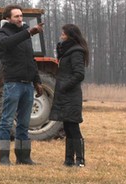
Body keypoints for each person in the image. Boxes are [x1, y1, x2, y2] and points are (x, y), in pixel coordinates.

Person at [0, 5, 44, 166]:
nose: (20, 19)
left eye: (21, 16)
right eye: (16, 16)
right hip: (13, 84)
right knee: (7, 121)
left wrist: (37, 81)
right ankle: (4, 158)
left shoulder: (25, 35)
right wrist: (28, 32)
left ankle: (23, 157)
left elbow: (31, 59)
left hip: (27, 85)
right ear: (8, 18)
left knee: (24, 123)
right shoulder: (2, 33)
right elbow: (5, 45)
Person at [49, 24, 89, 167]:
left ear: (70, 35)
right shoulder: (67, 51)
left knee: (73, 128)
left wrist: (64, 86)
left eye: (63, 33)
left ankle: (80, 160)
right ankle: (68, 160)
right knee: (67, 127)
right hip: (65, 95)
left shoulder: (76, 52)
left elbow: (79, 74)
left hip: (71, 95)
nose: (61, 35)